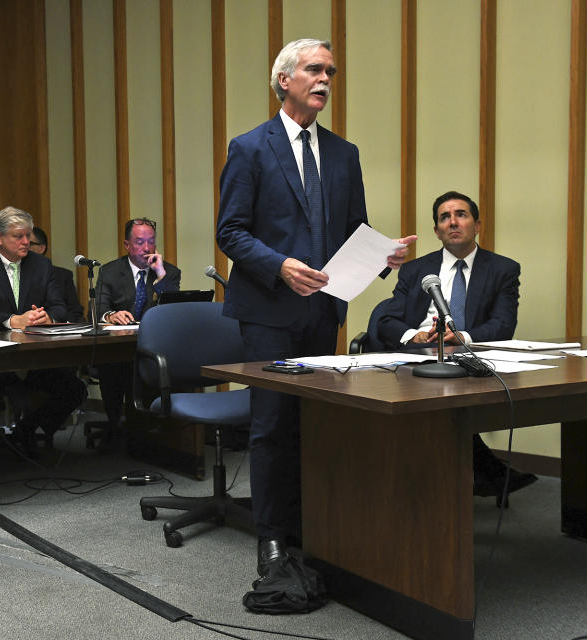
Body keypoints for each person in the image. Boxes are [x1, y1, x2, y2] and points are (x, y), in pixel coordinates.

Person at [216, 38, 414, 576]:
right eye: (313, 69)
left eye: (330, 70)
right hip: (268, 311)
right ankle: (273, 537)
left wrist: (383, 256)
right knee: (272, 425)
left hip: (323, 311)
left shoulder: (344, 154)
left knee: (314, 425)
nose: (325, 78)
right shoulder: (250, 148)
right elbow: (230, 232)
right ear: (284, 80)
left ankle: (312, 527)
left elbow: (355, 233)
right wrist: (279, 265)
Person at [376, 190, 536, 497]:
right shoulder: (415, 270)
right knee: (435, 401)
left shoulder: (503, 269)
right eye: (444, 218)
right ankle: (487, 473)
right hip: (417, 359)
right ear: (436, 231)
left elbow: (503, 324)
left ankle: (474, 475)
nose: (453, 222)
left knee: (451, 404)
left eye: (461, 214)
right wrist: (415, 335)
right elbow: (387, 321)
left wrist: (464, 338)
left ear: (477, 225)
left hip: (470, 358)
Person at [0, 206, 86, 450]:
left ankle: (28, 430)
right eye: (19, 236)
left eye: (28, 235)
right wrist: (11, 320)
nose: (26, 242)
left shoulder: (41, 265)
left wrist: (47, 316)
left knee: (74, 389)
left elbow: (60, 307)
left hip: (36, 356)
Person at [94, 218, 181, 446]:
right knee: (111, 366)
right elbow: (99, 310)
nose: (146, 248)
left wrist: (161, 276)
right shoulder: (110, 271)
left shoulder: (169, 272)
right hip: (119, 348)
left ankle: (156, 431)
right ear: (126, 244)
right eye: (139, 242)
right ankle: (115, 425)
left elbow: (172, 310)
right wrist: (111, 316)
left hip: (155, 346)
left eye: (151, 241)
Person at [30, 226, 84, 322]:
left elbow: (75, 312)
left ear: (41, 248)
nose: (23, 245)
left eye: (30, 243)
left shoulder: (63, 276)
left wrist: (53, 321)